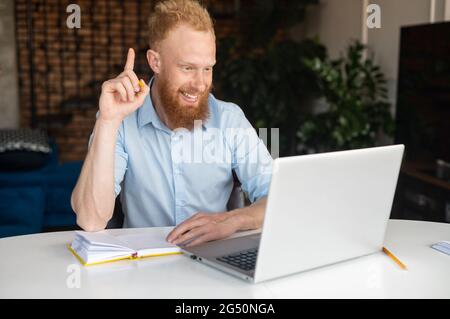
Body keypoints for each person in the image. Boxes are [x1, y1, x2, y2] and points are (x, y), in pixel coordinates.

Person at [71, 0, 272, 247]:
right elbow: (91, 220)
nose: (200, 84)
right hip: (142, 269)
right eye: (188, 68)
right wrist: (108, 121)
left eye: (207, 68)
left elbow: (277, 196)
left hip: (214, 270)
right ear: (156, 62)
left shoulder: (230, 120)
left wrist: (230, 221)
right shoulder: (121, 121)